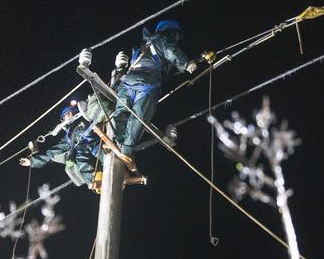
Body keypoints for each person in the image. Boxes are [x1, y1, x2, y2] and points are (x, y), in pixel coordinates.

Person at [113, 20, 197, 156]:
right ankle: (126, 150)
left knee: (121, 113)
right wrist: (186, 63)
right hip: (147, 84)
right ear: (171, 32)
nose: (176, 39)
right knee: (139, 117)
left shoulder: (142, 45)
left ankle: (119, 140)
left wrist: (178, 67)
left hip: (128, 82)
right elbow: (171, 51)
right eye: (176, 35)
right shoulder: (163, 39)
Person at [19, 104, 102, 190]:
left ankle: (95, 177)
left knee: (85, 153)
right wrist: (32, 161)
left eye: (65, 116)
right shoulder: (69, 136)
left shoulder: (85, 116)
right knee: (70, 166)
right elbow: (53, 152)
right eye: (63, 118)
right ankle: (94, 180)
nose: (64, 120)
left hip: (95, 142)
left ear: (70, 113)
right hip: (84, 151)